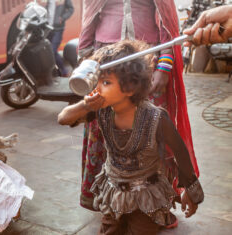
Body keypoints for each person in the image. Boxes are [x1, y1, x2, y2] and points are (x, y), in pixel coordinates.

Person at [58, 40, 204, 235]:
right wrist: (85, 105)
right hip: (112, 192)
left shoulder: (156, 118)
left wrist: (190, 192)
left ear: (130, 88)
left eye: (106, 82)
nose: (97, 89)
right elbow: (63, 118)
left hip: (146, 196)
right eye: (97, 81)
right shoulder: (101, 109)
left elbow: (180, 152)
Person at [77, 0, 200, 217]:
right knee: (105, 129)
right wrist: (86, 62)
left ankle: (155, 206)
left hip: (146, 64)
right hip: (105, 60)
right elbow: (89, 16)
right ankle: (109, 201)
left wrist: (164, 65)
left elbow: (166, 22)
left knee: (153, 131)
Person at [46, 0, 74, 76]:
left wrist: (62, 18)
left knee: (52, 50)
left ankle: (64, 71)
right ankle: (54, 72)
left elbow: (71, 9)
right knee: (46, 50)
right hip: (46, 28)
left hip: (58, 29)